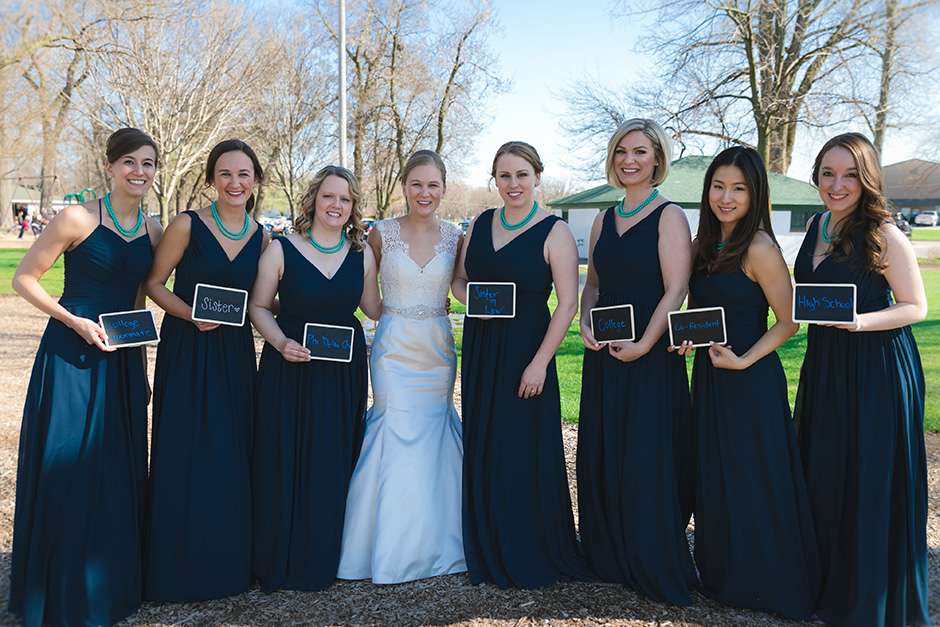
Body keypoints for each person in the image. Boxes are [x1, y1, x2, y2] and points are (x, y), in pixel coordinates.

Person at [8, 128, 162, 626]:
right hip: (71, 355)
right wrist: (73, 321)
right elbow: (24, 278)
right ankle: (56, 589)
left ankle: (106, 585)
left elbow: (138, 298)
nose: (139, 172)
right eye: (130, 162)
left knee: (115, 466)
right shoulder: (77, 218)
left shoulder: (153, 230)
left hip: (120, 359)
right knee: (67, 465)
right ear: (110, 166)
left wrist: (139, 367)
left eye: (148, 164)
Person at [676, 146, 820, 618]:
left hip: (751, 378)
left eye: (738, 188)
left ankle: (766, 580)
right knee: (716, 472)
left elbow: (789, 320)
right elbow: (699, 311)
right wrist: (686, 338)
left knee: (752, 474)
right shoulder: (702, 244)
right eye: (718, 186)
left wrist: (744, 360)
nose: (726, 197)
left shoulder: (759, 247)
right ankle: (725, 575)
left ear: (755, 194)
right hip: (711, 377)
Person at [794, 133, 928, 626]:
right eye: (828, 174)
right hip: (825, 365)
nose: (837, 185)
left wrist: (860, 321)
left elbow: (916, 306)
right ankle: (828, 587)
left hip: (877, 367)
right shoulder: (817, 224)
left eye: (850, 175)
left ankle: (869, 599)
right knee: (827, 472)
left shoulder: (883, 233)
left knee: (869, 478)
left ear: (867, 179)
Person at [452, 141, 588, 588]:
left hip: (528, 351)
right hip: (482, 347)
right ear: (495, 179)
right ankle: (487, 543)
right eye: (504, 176)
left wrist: (540, 363)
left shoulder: (555, 231)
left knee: (521, 449)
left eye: (521, 175)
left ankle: (528, 547)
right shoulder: (480, 224)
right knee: (485, 442)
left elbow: (567, 304)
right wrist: (475, 301)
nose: (513, 184)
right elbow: (459, 282)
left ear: (537, 177)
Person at [576, 119, 696, 605]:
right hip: (605, 355)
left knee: (646, 454)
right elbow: (593, 285)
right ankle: (608, 555)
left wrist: (646, 343)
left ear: (657, 158)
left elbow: (676, 289)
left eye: (640, 151)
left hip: (649, 355)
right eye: (622, 151)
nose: (629, 160)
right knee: (605, 448)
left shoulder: (669, 216)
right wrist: (584, 321)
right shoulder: (603, 219)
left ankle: (648, 555)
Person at [143, 139, 268, 601]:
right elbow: (154, 283)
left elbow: (261, 301)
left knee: (230, 451)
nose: (235, 183)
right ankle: (175, 567)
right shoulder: (187, 224)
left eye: (243, 174)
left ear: (256, 180)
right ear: (212, 179)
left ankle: (225, 565)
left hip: (235, 354)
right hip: (189, 349)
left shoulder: (262, 237)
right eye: (225, 174)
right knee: (185, 447)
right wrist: (189, 314)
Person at [249, 165, 381, 592]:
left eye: (345, 199)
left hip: (341, 375)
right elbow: (258, 307)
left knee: (331, 458)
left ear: (353, 206)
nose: (336, 205)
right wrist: (280, 342)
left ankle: (320, 556)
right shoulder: (282, 249)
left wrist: (428, 294)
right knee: (282, 457)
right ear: (313, 200)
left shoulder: (362, 255)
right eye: (329, 196)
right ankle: (278, 557)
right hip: (289, 367)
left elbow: (375, 309)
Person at [338, 150, 466, 583]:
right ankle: (381, 545)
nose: (424, 193)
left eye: (433, 185)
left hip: (437, 348)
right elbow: (368, 299)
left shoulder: (455, 237)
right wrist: (390, 314)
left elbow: (462, 285)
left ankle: (440, 541)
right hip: (393, 347)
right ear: (404, 186)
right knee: (391, 425)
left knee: (435, 429)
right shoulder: (381, 233)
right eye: (416, 184)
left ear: (443, 188)